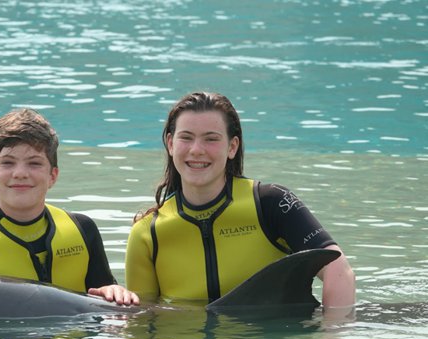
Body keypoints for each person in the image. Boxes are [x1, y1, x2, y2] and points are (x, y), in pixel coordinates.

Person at [125, 91, 355, 308]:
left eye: (211, 139)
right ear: (170, 144)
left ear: (232, 147)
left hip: (275, 337)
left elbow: (338, 270)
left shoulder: (271, 204)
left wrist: (332, 332)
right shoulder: (147, 233)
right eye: (186, 137)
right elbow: (145, 315)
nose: (196, 150)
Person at [0, 108, 139, 305]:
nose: (20, 173)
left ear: (52, 176)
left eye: (34, 163)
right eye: (8, 163)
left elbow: (103, 294)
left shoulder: (82, 230)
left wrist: (113, 290)